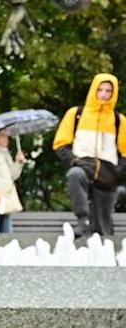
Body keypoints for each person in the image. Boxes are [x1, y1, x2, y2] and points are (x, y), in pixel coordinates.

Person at [53, 73, 125, 237]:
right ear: (93, 90)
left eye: (108, 91)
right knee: (75, 174)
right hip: (83, 166)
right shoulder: (76, 114)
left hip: (107, 174)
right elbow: (60, 144)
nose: (103, 94)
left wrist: (117, 172)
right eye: (100, 89)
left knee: (103, 229)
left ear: (113, 94)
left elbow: (125, 151)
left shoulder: (118, 120)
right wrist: (74, 160)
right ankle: (82, 219)